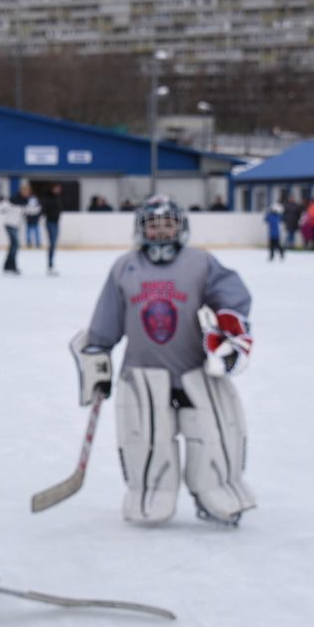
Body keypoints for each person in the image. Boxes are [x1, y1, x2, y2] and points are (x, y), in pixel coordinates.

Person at [71, 194, 255, 527]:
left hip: (195, 372)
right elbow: (107, 318)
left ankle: (219, 490)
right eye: (153, 225)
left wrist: (230, 327)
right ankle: (150, 494)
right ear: (141, 229)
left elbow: (231, 295)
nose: (160, 231)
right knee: (147, 441)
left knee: (214, 435)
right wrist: (97, 354)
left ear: (181, 227)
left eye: (167, 224)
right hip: (142, 376)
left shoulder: (200, 262)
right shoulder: (124, 267)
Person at [0, 185, 28, 274]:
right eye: (25, 191)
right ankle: (12, 266)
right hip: (9, 225)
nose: (26, 193)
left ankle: (7, 266)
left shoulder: (25, 202)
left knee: (14, 246)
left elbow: (29, 211)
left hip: (16, 226)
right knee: (15, 245)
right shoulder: (11, 201)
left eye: (27, 192)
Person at [42, 183, 63, 275]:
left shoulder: (58, 197)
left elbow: (60, 208)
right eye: (56, 188)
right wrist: (50, 215)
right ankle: (50, 265)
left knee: (54, 243)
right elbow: (44, 209)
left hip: (56, 222)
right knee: (52, 243)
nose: (58, 190)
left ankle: (51, 265)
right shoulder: (47, 198)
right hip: (50, 222)